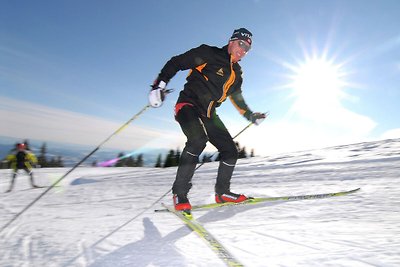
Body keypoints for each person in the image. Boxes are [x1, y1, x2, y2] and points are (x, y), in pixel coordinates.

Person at [149, 28, 266, 211]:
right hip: (188, 105)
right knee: (198, 140)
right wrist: (159, 85)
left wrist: (250, 115)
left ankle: (222, 193)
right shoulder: (209, 54)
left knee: (230, 151)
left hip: (209, 114)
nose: (243, 50)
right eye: (241, 44)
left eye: (247, 49)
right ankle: (179, 193)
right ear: (232, 41)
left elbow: (237, 98)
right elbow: (176, 62)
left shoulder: (237, 74)